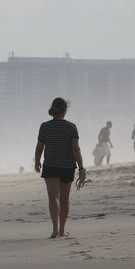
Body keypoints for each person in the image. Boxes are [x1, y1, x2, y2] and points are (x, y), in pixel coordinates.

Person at [34, 97, 85, 239]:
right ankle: (62, 230)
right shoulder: (71, 127)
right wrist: (81, 167)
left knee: (53, 198)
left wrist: (37, 161)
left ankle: (55, 229)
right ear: (65, 110)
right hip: (67, 167)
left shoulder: (44, 126)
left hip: (50, 166)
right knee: (64, 199)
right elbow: (76, 149)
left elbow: (39, 147)